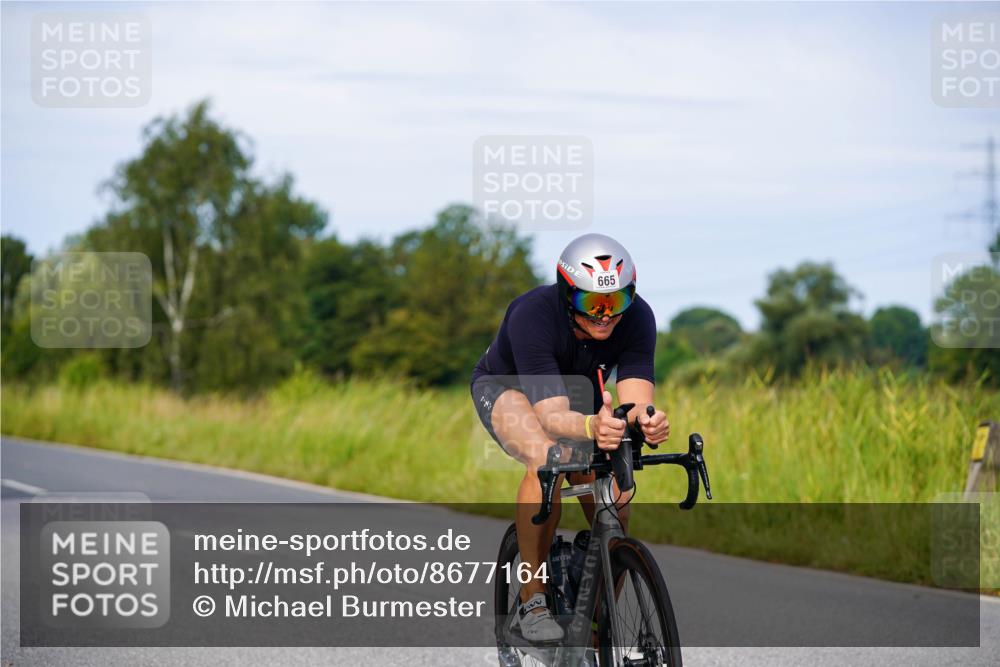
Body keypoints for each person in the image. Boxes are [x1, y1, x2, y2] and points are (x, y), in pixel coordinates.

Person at [470, 233, 670, 643]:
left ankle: (600, 620)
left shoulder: (638, 317)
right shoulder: (533, 315)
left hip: (580, 396)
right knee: (547, 461)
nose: (605, 315)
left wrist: (646, 422)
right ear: (566, 294)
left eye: (615, 302)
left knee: (615, 494)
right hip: (511, 388)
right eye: (591, 303)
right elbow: (550, 415)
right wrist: (589, 429)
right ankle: (533, 596)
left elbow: (633, 400)